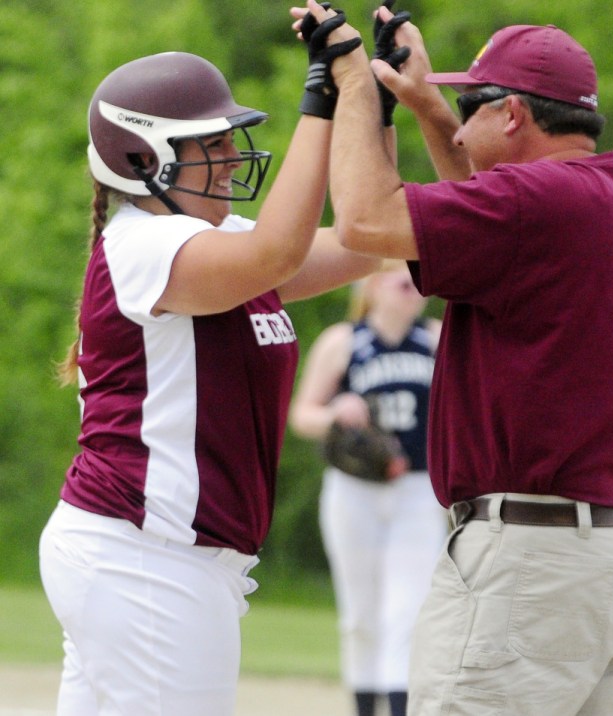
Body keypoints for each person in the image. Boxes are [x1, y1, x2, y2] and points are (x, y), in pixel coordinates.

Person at [290, 2, 613, 715]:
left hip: (530, 563)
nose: (461, 125)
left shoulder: (538, 205)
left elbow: (367, 222)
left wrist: (356, 90)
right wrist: (431, 108)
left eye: (473, 106)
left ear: (516, 115)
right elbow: (487, 202)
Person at [38, 11, 378, 715]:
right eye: (210, 146)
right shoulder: (142, 243)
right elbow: (277, 254)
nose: (231, 159)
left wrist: (368, 104)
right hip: (144, 560)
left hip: (152, 560)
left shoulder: (213, 240)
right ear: (144, 159)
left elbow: (365, 241)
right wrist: (318, 98)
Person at [289, 261, 446, 716]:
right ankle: (363, 705)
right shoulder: (344, 342)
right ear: (374, 285)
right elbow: (303, 415)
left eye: (420, 281)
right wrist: (337, 410)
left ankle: (398, 707)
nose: (414, 290)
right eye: (402, 281)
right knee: (360, 613)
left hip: (417, 489)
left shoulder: (436, 339)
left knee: (407, 608)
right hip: (354, 490)